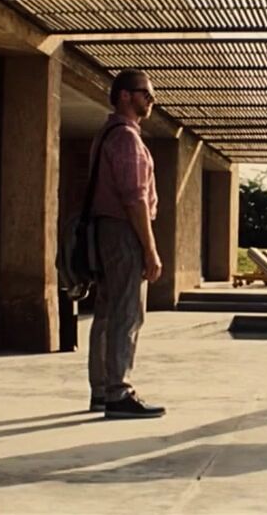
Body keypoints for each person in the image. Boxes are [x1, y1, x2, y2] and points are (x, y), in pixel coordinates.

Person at [87, 69, 165, 419]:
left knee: (107, 312)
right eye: (145, 93)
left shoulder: (107, 134)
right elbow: (135, 199)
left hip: (106, 229)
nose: (151, 100)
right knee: (127, 312)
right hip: (123, 231)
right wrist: (150, 249)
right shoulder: (127, 139)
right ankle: (118, 392)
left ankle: (102, 390)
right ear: (124, 95)